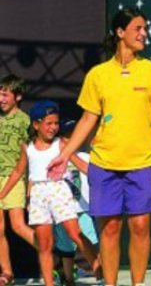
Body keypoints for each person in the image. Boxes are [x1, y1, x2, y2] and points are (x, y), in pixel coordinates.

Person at [47, 8, 151, 286]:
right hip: (104, 164)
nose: (144, 33)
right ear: (120, 32)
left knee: (140, 226)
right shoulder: (98, 75)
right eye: (138, 28)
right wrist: (64, 155)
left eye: (145, 28)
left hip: (142, 163)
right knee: (110, 229)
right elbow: (88, 118)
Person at [0, 101, 100, 286]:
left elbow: (81, 165)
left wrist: (104, 178)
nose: (53, 127)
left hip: (58, 190)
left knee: (74, 232)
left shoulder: (61, 144)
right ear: (36, 125)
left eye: (56, 123)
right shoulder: (28, 147)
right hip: (38, 195)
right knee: (44, 244)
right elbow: (18, 171)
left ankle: (97, 266)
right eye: (49, 123)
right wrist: (2, 194)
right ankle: (49, 283)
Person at [52, 119, 101, 286]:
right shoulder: (54, 158)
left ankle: (101, 273)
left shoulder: (86, 157)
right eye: (66, 136)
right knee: (65, 246)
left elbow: (93, 176)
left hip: (83, 207)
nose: (69, 140)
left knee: (91, 241)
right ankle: (69, 279)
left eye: (73, 136)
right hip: (62, 209)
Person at [0, 74, 36, 286]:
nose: (1, 99)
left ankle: (55, 257)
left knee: (18, 225)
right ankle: (7, 272)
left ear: (18, 96)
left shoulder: (25, 121)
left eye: (5, 95)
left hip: (14, 178)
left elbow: (26, 159)